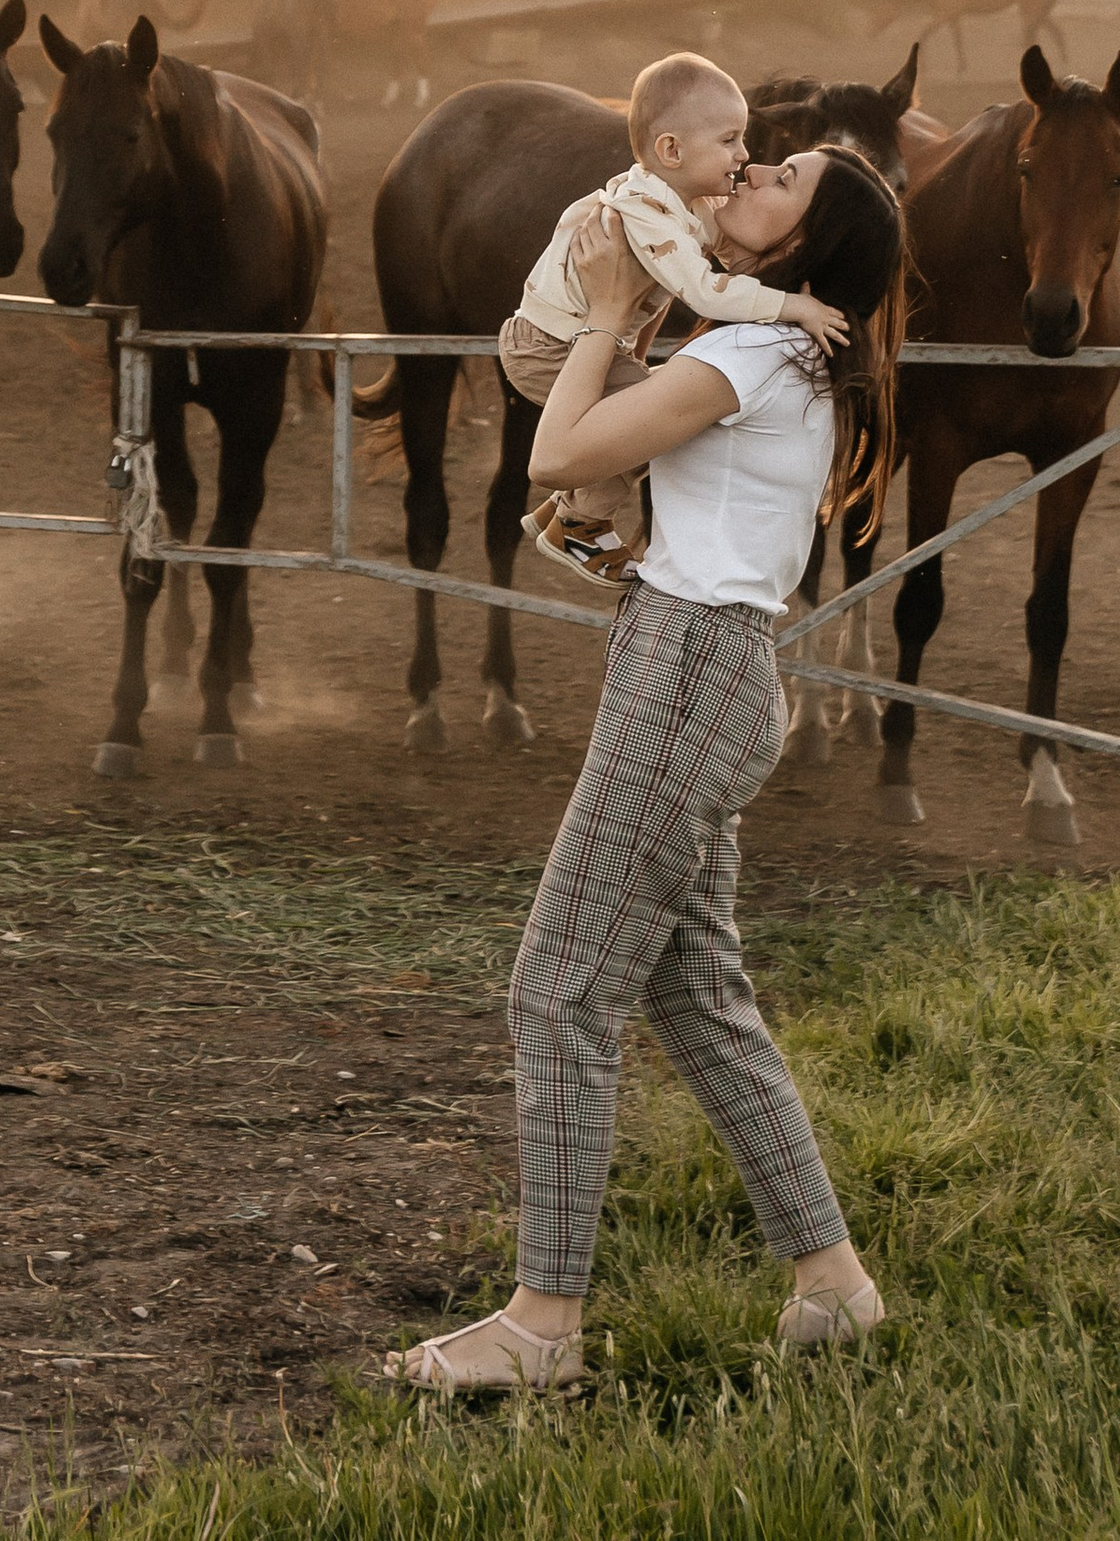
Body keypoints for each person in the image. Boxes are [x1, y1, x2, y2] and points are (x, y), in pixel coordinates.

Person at [385, 146, 907, 1395]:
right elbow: (612, 427)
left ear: (803, 246)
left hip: (687, 673)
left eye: (782, 180)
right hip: (703, 668)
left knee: (557, 992)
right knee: (696, 994)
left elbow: (556, 454)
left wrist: (609, 312)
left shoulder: (752, 355)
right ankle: (833, 1287)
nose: (751, 170)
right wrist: (625, 314)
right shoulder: (766, 351)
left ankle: (541, 1328)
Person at [501, 53, 847, 583]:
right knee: (650, 428)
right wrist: (794, 305)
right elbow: (706, 292)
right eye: (729, 140)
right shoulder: (648, 212)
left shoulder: (683, 202)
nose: (745, 155)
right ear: (671, 150)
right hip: (549, 345)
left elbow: (726, 254)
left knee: (651, 419)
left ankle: (564, 508)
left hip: (574, 340)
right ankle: (578, 523)